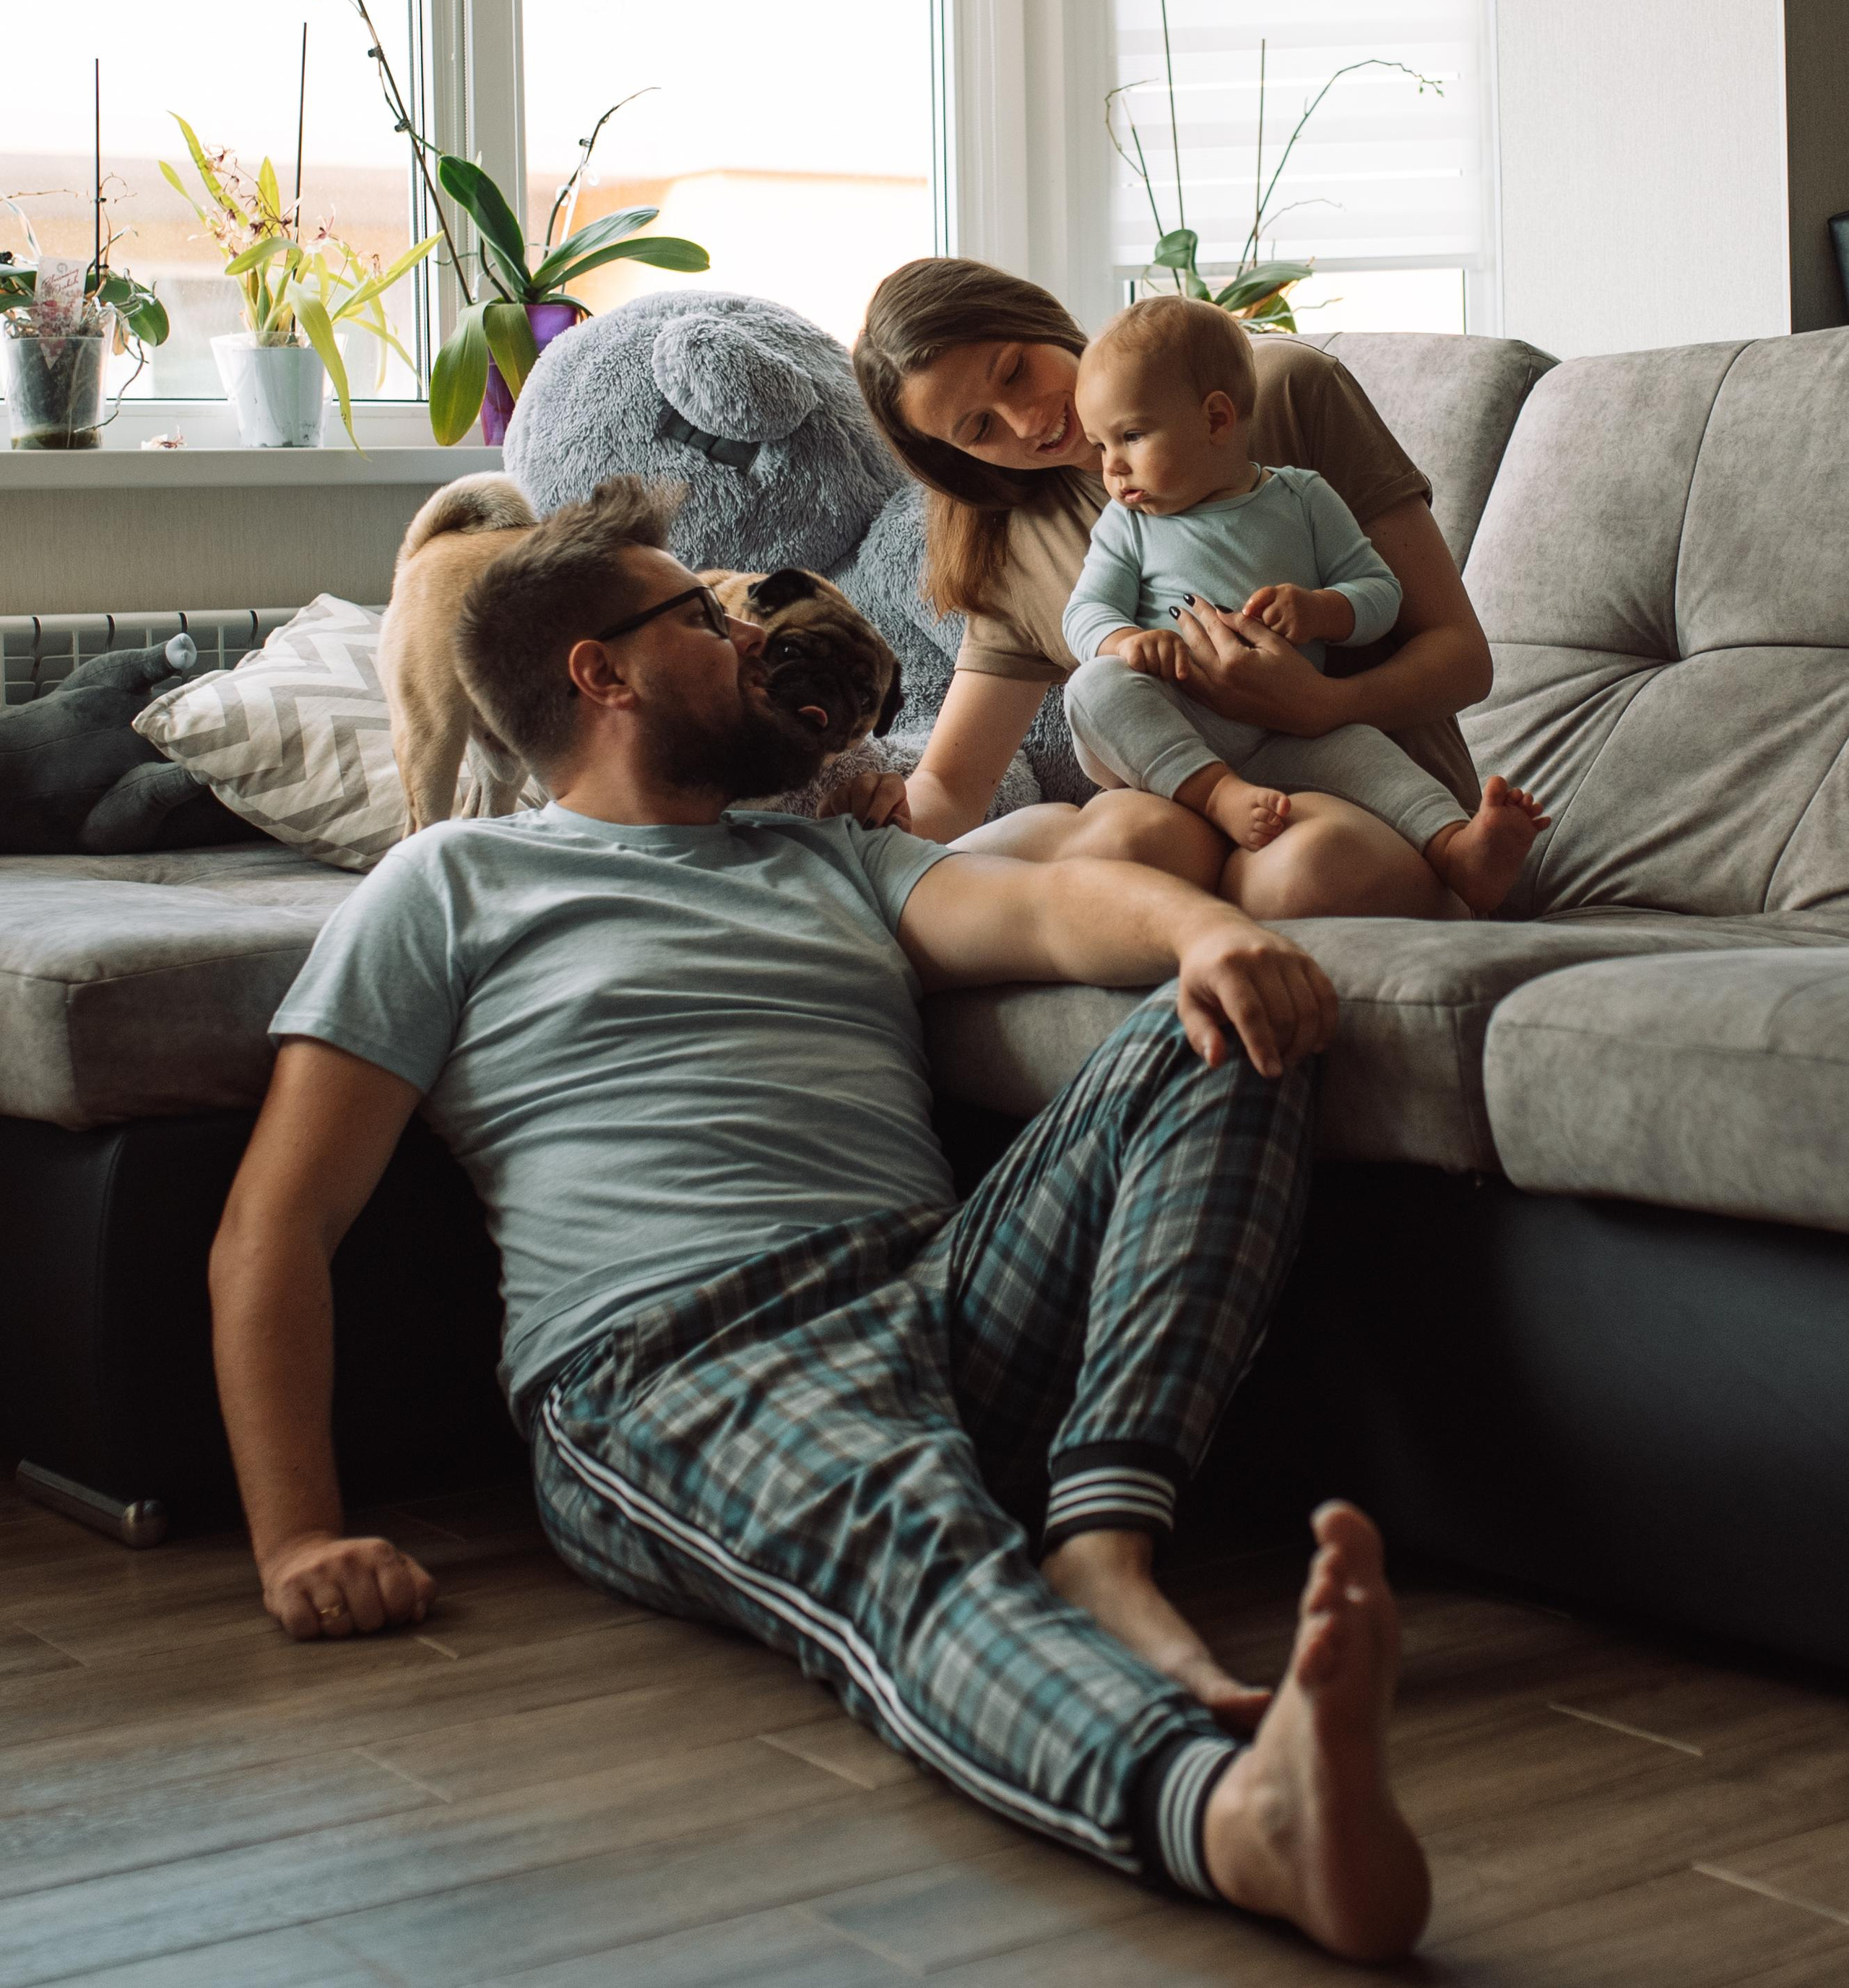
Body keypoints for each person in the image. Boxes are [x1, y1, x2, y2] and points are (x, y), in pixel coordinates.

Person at [209, 475, 1430, 1965]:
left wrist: (1211, 932)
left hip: (938, 1291)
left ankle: (1103, 1536)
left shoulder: (825, 857)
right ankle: (1230, 1815)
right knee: (903, 1547)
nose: (746, 632)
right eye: (699, 615)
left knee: (1228, 1028)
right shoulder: (450, 883)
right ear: (598, 675)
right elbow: (276, 1222)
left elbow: (1055, 916)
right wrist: (298, 1540)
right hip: (679, 1355)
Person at [854, 256, 1498, 922]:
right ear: (960, 457)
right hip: (1201, 824)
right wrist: (872, 820)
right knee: (1126, 836)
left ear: (1040, 320)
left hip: (1381, 800)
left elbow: (1464, 659)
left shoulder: (1276, 393)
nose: (1024, 421)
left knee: (1299, 874)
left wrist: (1325, 704)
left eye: (1015, 370)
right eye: (979, 429)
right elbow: (953, 786)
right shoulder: (1012, 547)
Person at [1062, 295, 1546, 909]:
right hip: (1180, 718)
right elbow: (1084, 614)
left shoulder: (1302, 498)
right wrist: (1127, 642)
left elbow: (1381, 595)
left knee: (1370, 753)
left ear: (1216, 420)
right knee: (1094, 687)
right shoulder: (1126, 525)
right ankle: (1216, 794)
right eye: (1101, 447)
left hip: (1293, 726)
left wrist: (1324, 611)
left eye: (1130, 436)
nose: (1113, 469)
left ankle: (1457, 848)